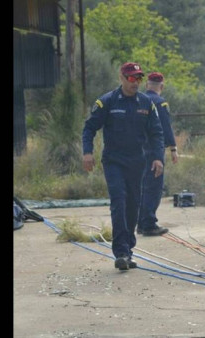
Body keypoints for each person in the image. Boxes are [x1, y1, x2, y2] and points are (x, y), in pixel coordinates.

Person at [82, 62, 165, 271]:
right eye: (131, 78)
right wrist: (87, 153)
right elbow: (89, 127)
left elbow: (156, 133)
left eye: (138, 78)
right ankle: (120, 252)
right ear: (121, 77)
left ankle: (128, 250)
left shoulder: (146, 103)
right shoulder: (107, 102)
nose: (135, 82)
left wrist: (158, 157)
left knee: (132, 206)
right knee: (119, 201)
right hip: (114, 162)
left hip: (137, 162)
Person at [136, 72, 179, 236]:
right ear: (161, 86)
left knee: (142, 187)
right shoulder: (160, 103)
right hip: (154, 151)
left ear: (147, 85)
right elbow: (164, 128)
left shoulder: (138, 100)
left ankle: (140, 223)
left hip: (137, 150)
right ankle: (149, 223)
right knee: (154, 188)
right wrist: (173, 148)